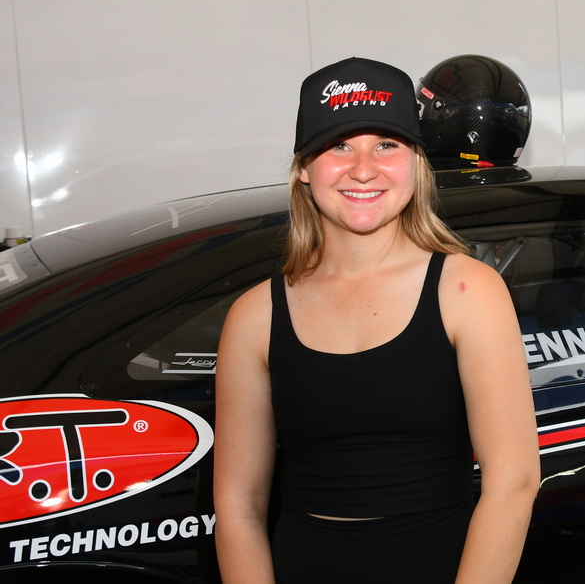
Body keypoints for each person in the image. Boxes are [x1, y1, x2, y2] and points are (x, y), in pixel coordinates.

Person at [213, 57, 540, 583]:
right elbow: (237, 505)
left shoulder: (468, 292)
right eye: (338, 145)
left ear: (416, 162)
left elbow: (514, 483)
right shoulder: (255, 316)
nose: (363, 169)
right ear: (304, 167)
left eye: (387, 144)